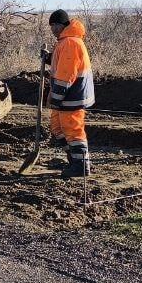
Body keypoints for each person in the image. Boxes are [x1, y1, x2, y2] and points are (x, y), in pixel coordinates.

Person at [47, 9, 94, 177]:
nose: (52, 29)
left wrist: (56, 97)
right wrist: (49, 58)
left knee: (73, 130)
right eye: (51, 26)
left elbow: (66, 74)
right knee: (57, 128)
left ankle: (81, 166)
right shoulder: (65, 42)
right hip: (68, 96)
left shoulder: (70, 42)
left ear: (63, 25)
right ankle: (74, 160)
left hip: (71, 96)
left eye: (55, 25)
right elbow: (62, 62)